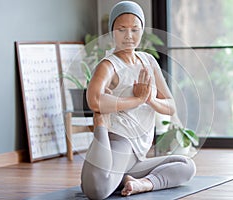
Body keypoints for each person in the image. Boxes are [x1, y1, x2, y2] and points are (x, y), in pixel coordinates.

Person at [81, 1, 196, 199]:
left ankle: (141, 183)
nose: (128, 36)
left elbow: (170, 106)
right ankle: (101, 127)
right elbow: (94, 99)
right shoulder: (109, 65)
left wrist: (150, 99)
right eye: (121, 29)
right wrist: (136, 99)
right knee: (96, 191)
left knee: (187, 166)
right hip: (120, 142)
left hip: (139, 154)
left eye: (135, 29)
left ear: (142, 30)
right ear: (112, 32)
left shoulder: (148, 61)